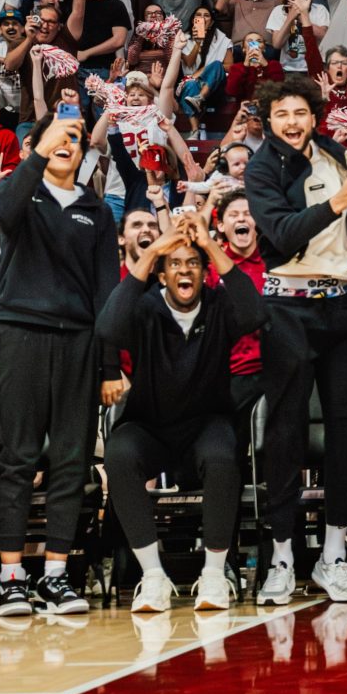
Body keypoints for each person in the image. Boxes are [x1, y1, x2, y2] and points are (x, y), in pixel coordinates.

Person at [245, 78, 347, 605]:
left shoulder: (339, 155)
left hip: (342, 303)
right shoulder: (262, 167)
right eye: (281, 114)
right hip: (287, 306)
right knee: (287, 431)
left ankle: (334, 554)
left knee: (346, 430)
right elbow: (283, 235)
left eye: (300, 113)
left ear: (314, 117)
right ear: (268, 121)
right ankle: (283, 556)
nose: (292, 122)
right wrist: (337, 202)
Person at [0, 111, 116, 617]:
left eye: (77, 140)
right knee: (18, 456)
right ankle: (12, 574)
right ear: (37, 145)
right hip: (19, 334)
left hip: (80, 341)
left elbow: (107, 291)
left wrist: (108, 366)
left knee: (71, 459)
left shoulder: (97, 211)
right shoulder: (20, 193)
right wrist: (40, 149)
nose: (69, 144)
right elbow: (4, 211)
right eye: (60, 138)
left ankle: (57, 574)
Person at [99, 213, 266, 615]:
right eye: (174, 264)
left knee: (225, 456)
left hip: (205, 423)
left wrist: (209, 244)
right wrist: (156, 249)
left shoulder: (218, 305)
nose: (184, 270)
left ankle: (213, 574)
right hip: (150, 425)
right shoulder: (144, 308)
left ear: (205, 273)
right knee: (119, 454)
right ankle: (153, 577)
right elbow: (108, 327)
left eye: (192, 263)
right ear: (161, 276)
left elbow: (255, 314)